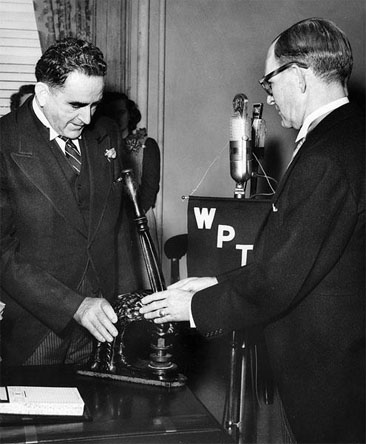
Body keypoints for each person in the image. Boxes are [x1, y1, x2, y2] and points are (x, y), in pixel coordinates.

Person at [139, 18, 365, 444]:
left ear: (297, 77)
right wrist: (215, 280)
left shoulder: (325, 156)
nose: (268, 96)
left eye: (269, 81)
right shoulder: (349, 135)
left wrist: (192, 308)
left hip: (327, 382)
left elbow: (278, 280)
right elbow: (296, 257)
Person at [0, 38, 126, 367]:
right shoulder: (4, 142)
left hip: (102, 323)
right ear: (43, 94)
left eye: (94, 104)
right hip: (36, 328)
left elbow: (115, 226)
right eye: (75, 105)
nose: (87, 118)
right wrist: (75, 305)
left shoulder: (107, 132)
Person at [98, 92, 161, 288]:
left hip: (138, 217)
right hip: (109, 221)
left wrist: (132, 216)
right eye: (112, 113)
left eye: (122, 111)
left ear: (130, 114)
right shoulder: (100, 144)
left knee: (143, 280)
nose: (118, 117)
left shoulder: (145, 145)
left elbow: (150, 188)